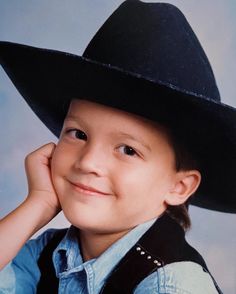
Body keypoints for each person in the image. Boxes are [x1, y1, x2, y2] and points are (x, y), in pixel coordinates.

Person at [0, 0, 235, 293]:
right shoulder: (51, 254)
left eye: (127, 150)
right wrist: (38, 204)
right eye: (78, 134)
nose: (88, 162)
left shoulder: (174, 286)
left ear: (179, 186)